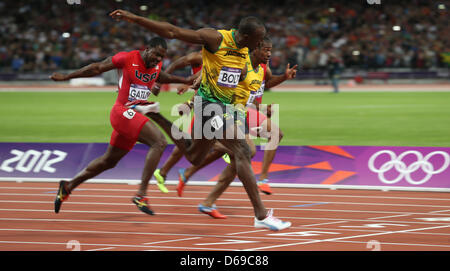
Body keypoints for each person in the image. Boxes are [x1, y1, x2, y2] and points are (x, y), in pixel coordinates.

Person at [110, 9, 291, 230]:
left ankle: (155, 114)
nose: (261, 44)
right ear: (246, 36)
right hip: (209, 107)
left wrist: (237, 85)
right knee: (242, 150)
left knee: (195, 157)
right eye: (258, 40)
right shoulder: (216, 38)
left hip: (224, 107)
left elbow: (233, 76)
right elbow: (172, 31)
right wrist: (134, 18)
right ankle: (261, 215)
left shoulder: (244, 51)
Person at [50, 37, 195, 215]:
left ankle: (67, 186)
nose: (158, 60)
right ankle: (141, 194)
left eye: (161, 57)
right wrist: (67, 76)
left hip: (135, 115)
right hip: (122, 112)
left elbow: (163, 75)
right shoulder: (126, 58)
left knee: (108, 161)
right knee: (159, 142)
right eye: (156, 55)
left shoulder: (155, 66)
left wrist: (186, 81)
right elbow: (97, 67)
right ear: (147, 48)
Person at [179, 37, 298, 218]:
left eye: (270, 50)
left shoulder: (263, 69)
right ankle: (213, 194)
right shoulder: (240, 63)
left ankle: (210, 198)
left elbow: (265, 85)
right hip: (227, 110)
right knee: (244, 151)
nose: (269, 54)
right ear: (256, 47)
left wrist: (284, 77)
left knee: (261, 142)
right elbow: (211, 77)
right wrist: (190, 99)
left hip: (244, 111)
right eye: (266, 50)